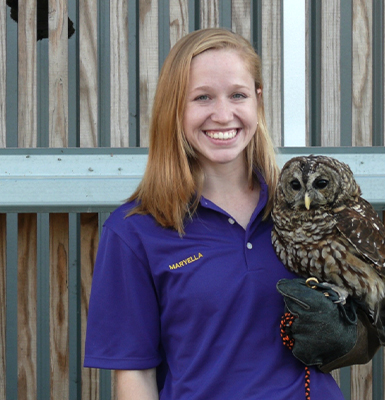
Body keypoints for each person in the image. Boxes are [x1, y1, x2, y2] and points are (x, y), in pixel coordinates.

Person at [84, 28, 345, 399]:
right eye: (202, 97)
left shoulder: (304, 211)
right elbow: (134, 377)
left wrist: (352, 333)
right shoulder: (136, 232)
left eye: (237, 95)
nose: (223, 115)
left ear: (257, 100)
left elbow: (364, 330)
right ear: (175, 107)